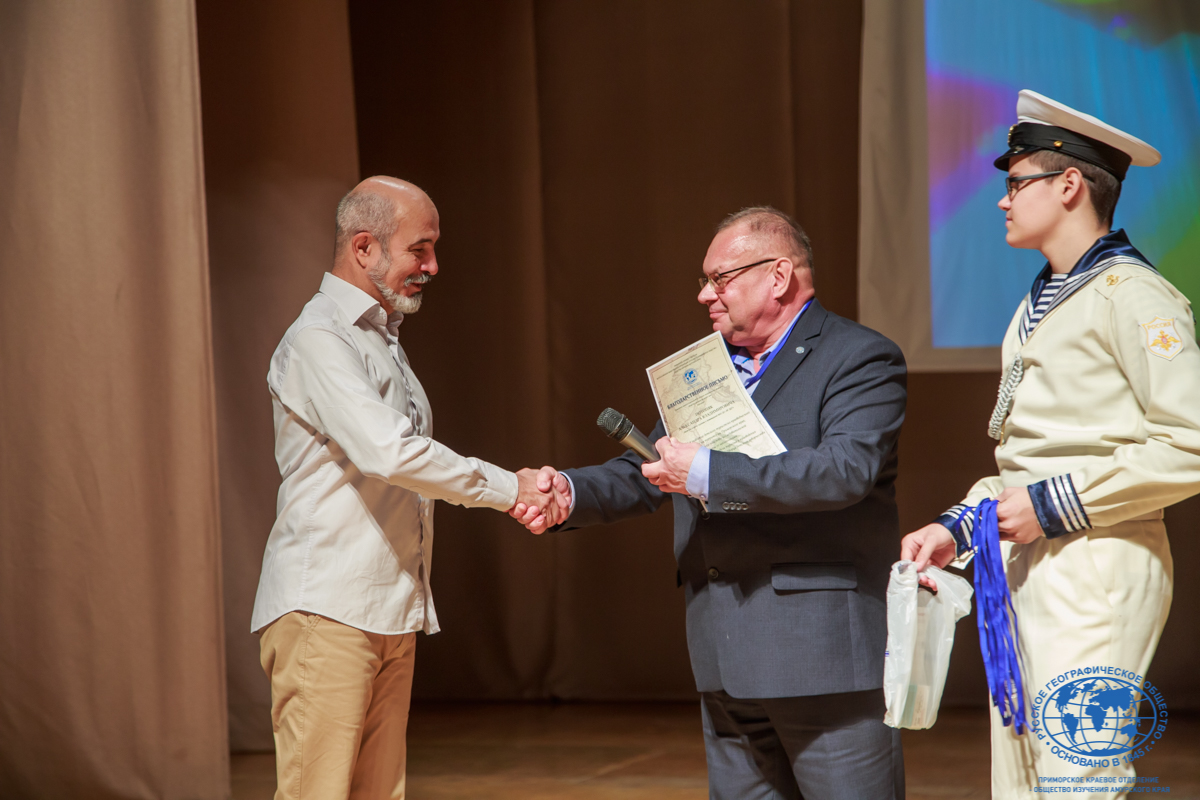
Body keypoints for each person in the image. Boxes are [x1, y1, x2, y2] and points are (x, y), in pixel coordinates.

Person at [513, 207, 907, 799]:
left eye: (719, 278)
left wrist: (705, 471)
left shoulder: (858, 356)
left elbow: (844, 470)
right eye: (704, 280)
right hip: (723, 655)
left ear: (778, 276)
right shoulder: (703, 367)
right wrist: (569, 493)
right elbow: (650, 468)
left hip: (819, 660)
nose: (704, 295)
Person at [901, 91, 1200, 797]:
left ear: (1068, 185)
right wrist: (958, 527)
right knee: (1024, 778)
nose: (1002, 200)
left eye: (1015, 182)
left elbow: (1190, 441)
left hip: (1096, 560)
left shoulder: (1134, 295)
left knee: (1078, 777)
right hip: (1030, 562)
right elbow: (1032, 457)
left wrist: (1049, 505)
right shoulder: (1044, 299)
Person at [251, 176, 569, 800]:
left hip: (387, 609)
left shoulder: (381, 337)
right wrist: (512, 488)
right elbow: (391, 452)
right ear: (363, 247)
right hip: (327, 610)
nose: (433, 266)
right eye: (419, 250)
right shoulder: (321, 337)